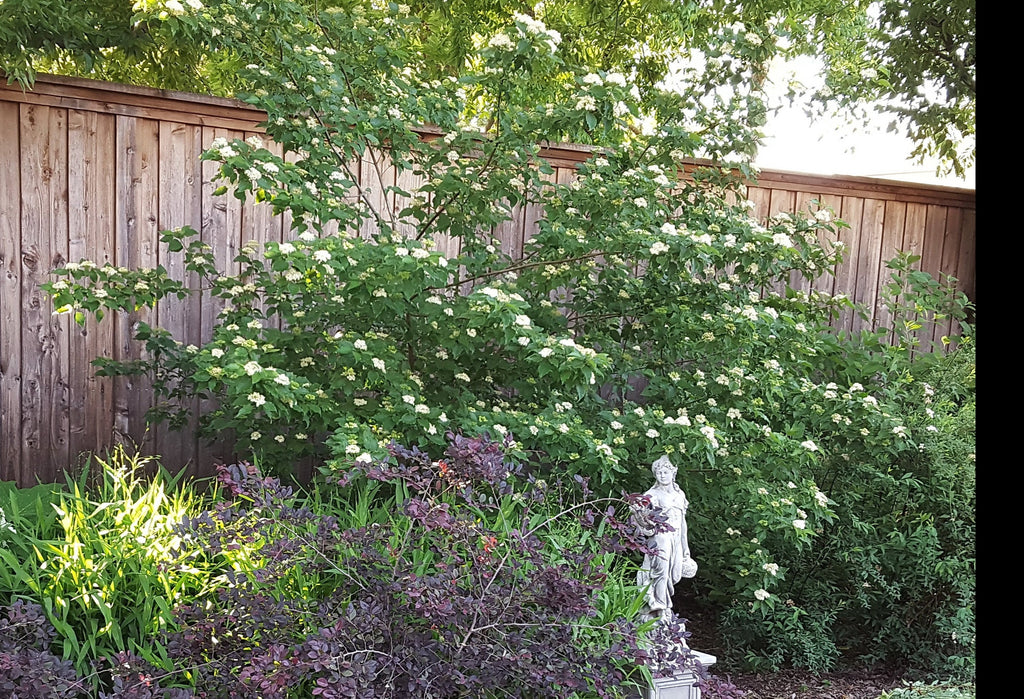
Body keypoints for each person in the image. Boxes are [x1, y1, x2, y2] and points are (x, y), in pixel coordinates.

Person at [636, 455, 697, 622]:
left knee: (674, 575)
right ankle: (660, 608)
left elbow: (682, 523)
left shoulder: (680, 495)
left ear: (673, 473)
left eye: (665, 472)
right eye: (659, 472)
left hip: (676, 538)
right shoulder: (651, 495)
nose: (662, 475)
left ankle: (661, 604)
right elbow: (641, 519)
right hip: (661, 538)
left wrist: (686, 549)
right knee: (660, 572)